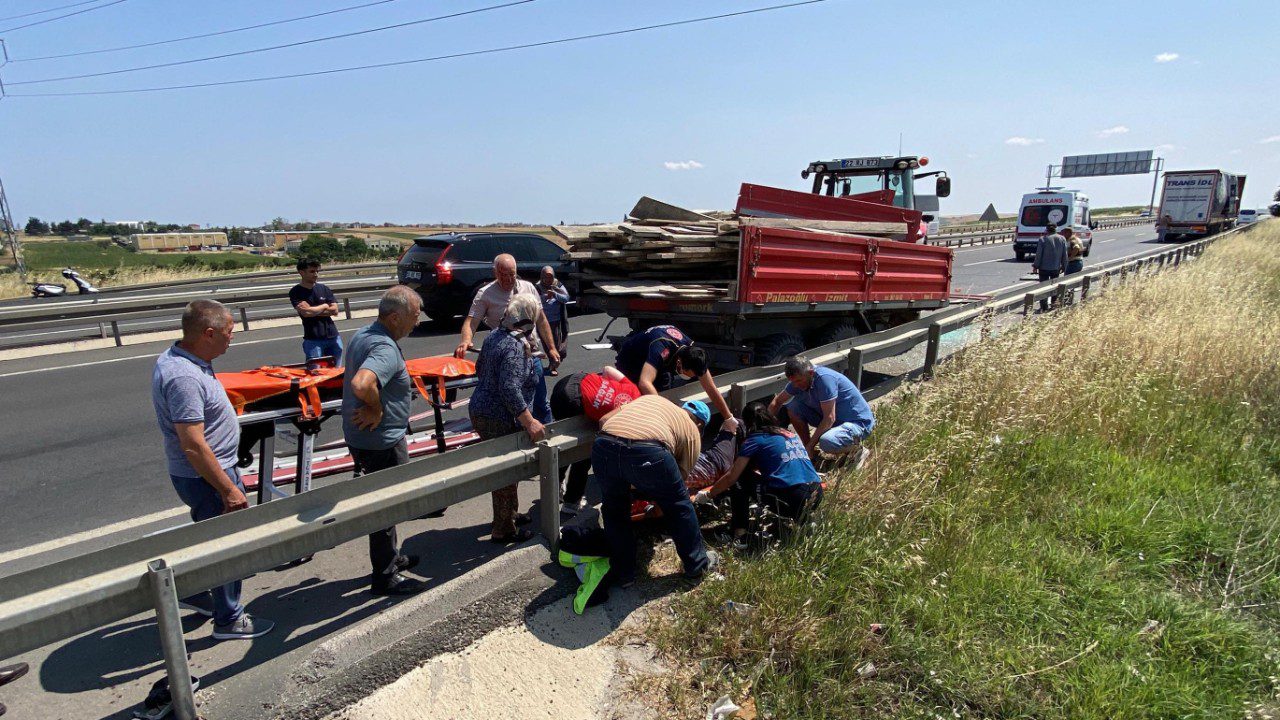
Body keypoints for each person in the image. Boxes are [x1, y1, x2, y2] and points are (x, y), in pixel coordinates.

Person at [151, 299, 275, 640]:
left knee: (209, 539)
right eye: (228, 332)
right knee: (226, 548)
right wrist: (229, 489)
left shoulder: (188, 359)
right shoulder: (183, 377)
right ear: (208, 334)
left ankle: (200, 593)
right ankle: (229, 619)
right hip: (208, 477)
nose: (232, 338)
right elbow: (192, 444)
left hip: (205, 474)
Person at [342, 286, 427, 596]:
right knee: (386, 507)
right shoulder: (385, 348)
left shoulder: (363, 333)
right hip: (382, 442)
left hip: (362, 438)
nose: (416, 323)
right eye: (414, 317)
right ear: (395, 317)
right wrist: (376, 407)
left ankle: (390, 558)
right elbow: (361, 383)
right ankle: (385, 575)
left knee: (384, 504)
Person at [593, 395, 719, 585]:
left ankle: (623, 574)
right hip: (647, 451)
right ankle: (697, 566)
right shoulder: (692, 431)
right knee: (680, 506)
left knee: (614, 510)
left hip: (603, 445)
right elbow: (679, 483)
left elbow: (604, 420)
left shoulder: (651, 400)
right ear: (700, 424)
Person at [469, 294, 547, 543]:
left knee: (509, 469)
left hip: (482, 408)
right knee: (505, 472)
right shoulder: (515, 347)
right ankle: (503, 529)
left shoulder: (494, 336)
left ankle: (510, 513)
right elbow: (509, 388)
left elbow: (479, 368)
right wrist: (529, 421)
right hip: (498, 416)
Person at [695, 401, 822, 548]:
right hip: (816, 492)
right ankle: (804, 519)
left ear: (747, 423)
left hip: (792, 498)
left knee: (740, 480)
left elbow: (732, 476)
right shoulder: (788, 434)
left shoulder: (755, 440)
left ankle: (740, 536)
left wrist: (709, 495)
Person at [454, 254, 559, 422]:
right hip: (506, 357)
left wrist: (551, 348)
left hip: (531, 354)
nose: (509, 279)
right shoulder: (486, 294)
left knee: (540, 403)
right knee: (511, 401)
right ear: (495, 272)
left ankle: (548, 437)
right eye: (503, 274)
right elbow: (471, 322)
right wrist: (466, 340)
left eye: (512, 274)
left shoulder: (528, 288)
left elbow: (541, 320)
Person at [549, 367, 640, 516]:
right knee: (585, 453)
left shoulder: (633, 389)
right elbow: (603, 423)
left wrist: (602, 388)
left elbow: (607, 369)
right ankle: (572, 502)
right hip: (573, 401)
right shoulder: (627, 417)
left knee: (563, 444)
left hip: (571, 380)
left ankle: (555, 485)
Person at [613, 324, 733, 421]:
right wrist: (667, 413)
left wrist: (729, 417)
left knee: (663, 387)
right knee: (639, 396)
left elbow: (710, 388)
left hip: (655, 358)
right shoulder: (660, 348)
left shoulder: (692, 353)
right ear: (679, 363)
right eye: (688, 374)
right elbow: (645, 382)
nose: (689, 377)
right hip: (631, 361)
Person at [768, 356, 873, 463]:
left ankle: (857, 450)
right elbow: (777, 402)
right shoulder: (800, 378)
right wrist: (762, 429)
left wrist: (811, 445)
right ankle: (810, 452)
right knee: (793, 407)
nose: (796, 385)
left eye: (798, 381)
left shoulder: (825, 379)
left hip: (857, 424)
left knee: (827, 442)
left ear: (811, 373)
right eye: (792, 382)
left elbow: (829, 418)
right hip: (835, 420)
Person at [289, 259, 343, 364]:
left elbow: (335, 310)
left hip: (333, 337)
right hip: (313, 340)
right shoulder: (296, 292)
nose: (316, 274)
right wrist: (324, 306)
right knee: (315, 373)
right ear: (301, 272)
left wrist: (313, 309)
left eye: (317, 271)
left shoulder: (324, 288)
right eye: (312, 271)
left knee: (336, 373)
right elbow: (306, 313)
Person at [538, 265, 570, 371]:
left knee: (556, 344)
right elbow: (533, 301)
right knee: (546, 343)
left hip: (556, 321)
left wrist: (555, 294)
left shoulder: (558, 285)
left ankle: (554, 365)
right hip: (543, 321)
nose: (548, 279)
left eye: (550, 277)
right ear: (542, 277)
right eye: (546, 277)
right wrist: (544, 297)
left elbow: (566, 298)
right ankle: (553, 364)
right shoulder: (537, 287)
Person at [1032, 222, 1068, 312]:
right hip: (1056, 267)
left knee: (1043, 287)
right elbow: (1065, 254)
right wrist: (1064, 266)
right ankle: (1054, 305)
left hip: (1043, 268)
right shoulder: (1062, 239)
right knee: (1055, 286)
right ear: (1056, 228)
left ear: (1046, 229)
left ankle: (1044, 307)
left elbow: (1039, 254)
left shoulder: (1043, 239)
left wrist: (1035, 266)